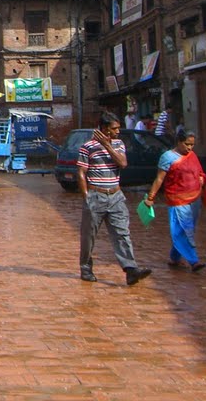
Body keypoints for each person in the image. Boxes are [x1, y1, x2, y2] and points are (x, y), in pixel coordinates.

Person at [78, 111, 152, 286]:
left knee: (122, 233)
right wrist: (86, 197)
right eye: (114, 128)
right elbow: (81, 173)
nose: (118, 131)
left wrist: (107, 145)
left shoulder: (118, 144)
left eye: (119, 128)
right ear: (104, 128)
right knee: (89, 235)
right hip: (96, 196)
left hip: (116, 196)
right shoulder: (87, 147)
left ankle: (130, 269)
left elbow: (123, 163)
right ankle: (86, 268)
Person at [144, 130, 206, 272]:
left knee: (187, 230)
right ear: (178, 141)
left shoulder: (192, 155)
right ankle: (194, 261)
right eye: (187, 144)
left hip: (195, 198)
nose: (190, 148)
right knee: (183, 229)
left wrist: (202, 178)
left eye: (192, 145)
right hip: (178, 199)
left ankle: (174, 257)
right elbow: (160, 178)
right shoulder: (167, 157)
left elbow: (198, 171)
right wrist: (150, 197)